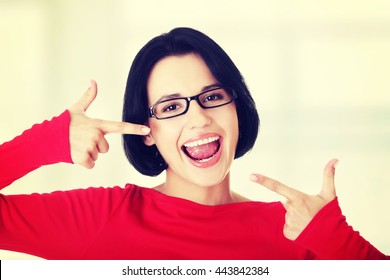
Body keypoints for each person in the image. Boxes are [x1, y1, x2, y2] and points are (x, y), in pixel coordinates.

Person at [0, 27, 388, 260]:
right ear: (147, 130)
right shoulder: (105, 216)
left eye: (213, 96)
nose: (198, 117)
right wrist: (44, 142)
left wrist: (340, 245)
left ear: (237, 110)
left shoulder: (300, 232)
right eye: (171, 106)